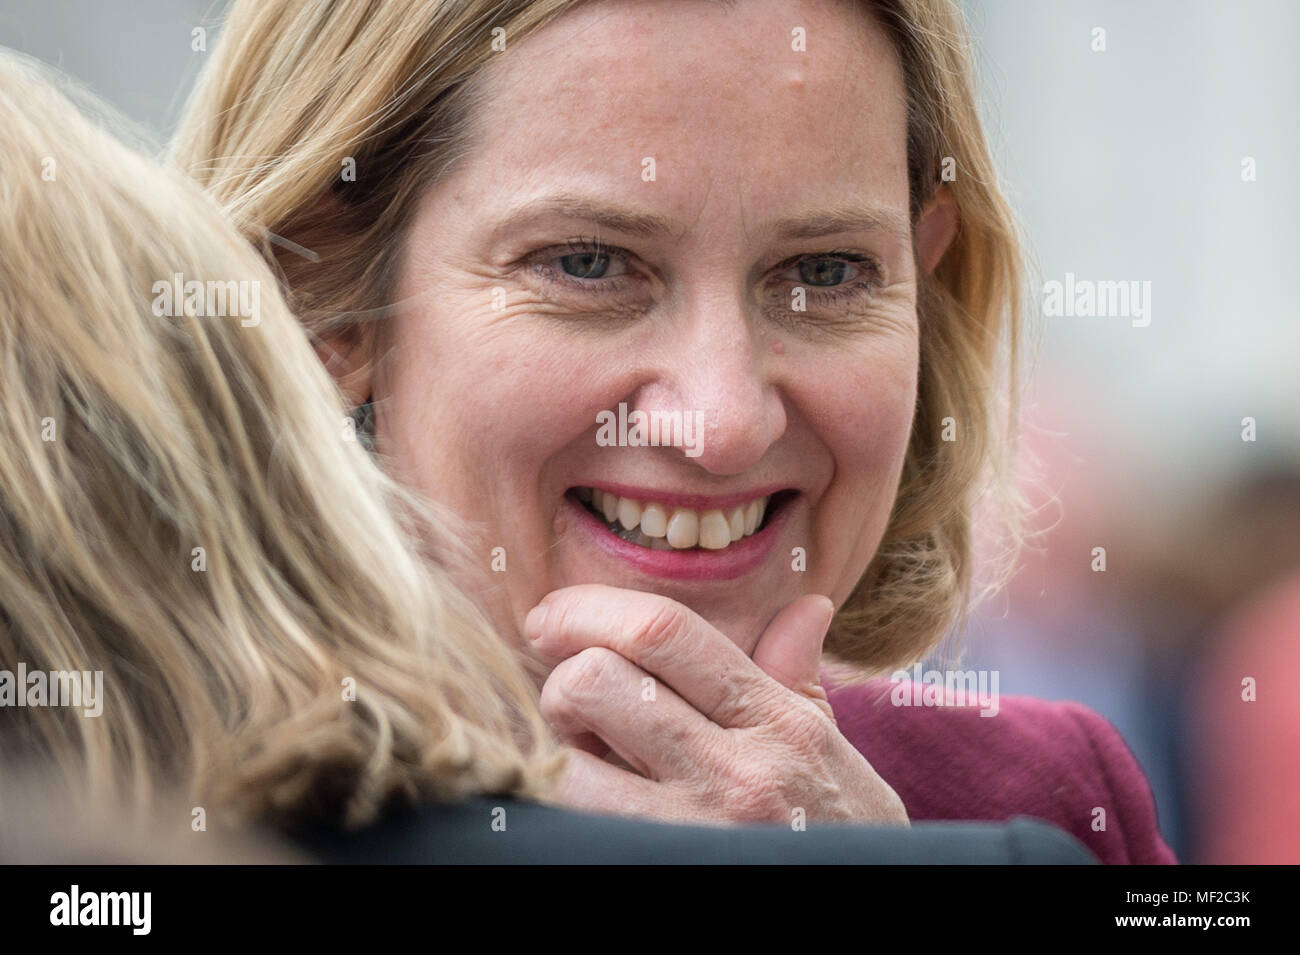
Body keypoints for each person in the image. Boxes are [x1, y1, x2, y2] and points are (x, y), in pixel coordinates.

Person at [0, 50, 1097, 866]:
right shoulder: (126, 817)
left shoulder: (1036, 797)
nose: (719, 422)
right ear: (322, 295)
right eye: (587, 262)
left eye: (825, 272)